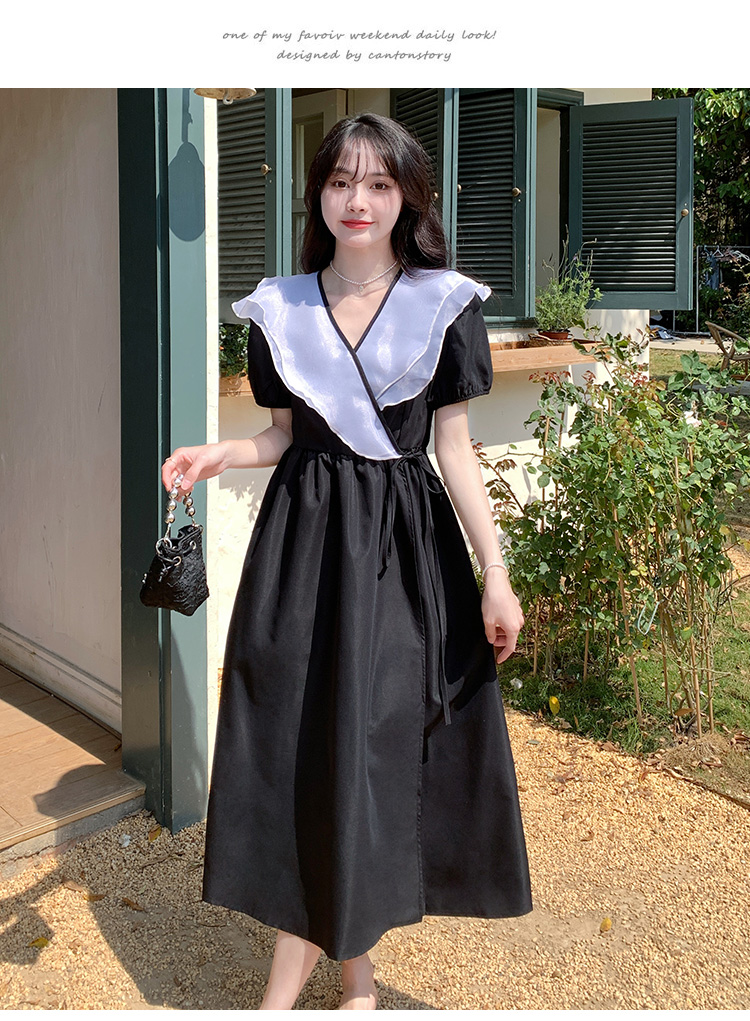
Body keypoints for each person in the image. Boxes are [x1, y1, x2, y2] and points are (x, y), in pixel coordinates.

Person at [162, 112, 533, 1010]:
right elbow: (283, 437)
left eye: (376, 182)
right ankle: (355, 974)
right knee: (301, 741)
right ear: (317, 195)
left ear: (407, 194)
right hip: (302, 555)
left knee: (369, 747)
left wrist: (494, 570)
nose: (356, 200)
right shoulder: (282, 308)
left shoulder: (442, 303)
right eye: (338, 182)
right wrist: (218, 454)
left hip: (402, 560)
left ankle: (283, 993)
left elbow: (454, 450)